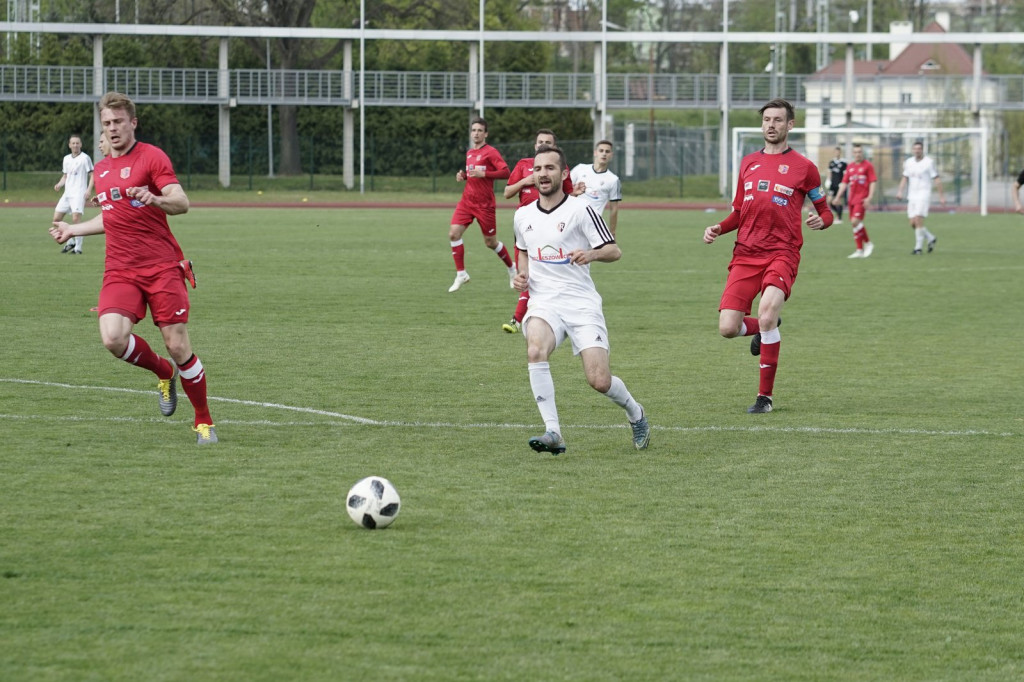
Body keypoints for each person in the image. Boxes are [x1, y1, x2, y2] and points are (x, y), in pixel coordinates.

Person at [48, 91, 217, 445]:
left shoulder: (152, 157)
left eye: (118, 122)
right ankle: (163, 372)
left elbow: (182, 202)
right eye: (106, 123)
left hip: (162, 266)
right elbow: (113, 217)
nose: (112, 129)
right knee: (112, 338)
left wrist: (156, 198)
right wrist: (73, 230)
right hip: (120, 269)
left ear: (132, 123)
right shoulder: (102, 169)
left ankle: (203, 420)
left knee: (177, 345)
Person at [511, 144, 650, 454]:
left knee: (599, 380)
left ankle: (635, 412)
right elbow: (523, 251)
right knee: (535, 350)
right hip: (544, 302)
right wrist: (521, 275)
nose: (542, 174)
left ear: (564, 173)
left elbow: (614, 250)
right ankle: (553, 432)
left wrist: (591, 254)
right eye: (538, 169)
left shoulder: (581, 210)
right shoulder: (522, 215)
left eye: (549, 168)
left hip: (580, 303)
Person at [703, 98, 833, 414]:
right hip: (746, 253)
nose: (771, 125)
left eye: (777, 120)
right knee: (728, 328)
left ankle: (765, 398)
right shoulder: (748, 163)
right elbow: (738, 213)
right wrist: (719, 228)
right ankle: (765, 328)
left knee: (767, 313)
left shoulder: (805, 167)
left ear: (790, 125)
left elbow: (826, 211)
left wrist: (822, 221)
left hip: (782, 252)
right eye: (766, 120)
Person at [500, 128, 580, 334]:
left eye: (548, 142)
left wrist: (576, 194)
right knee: (525, 273)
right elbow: (507, 193)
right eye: (540, 142)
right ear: (535, 145)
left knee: (541, 272)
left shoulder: (560, 169)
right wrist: (525, 181)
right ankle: (531, 316)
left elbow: (568, 198)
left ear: (555, 147)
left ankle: (519, 319)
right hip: (526, 229)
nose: (543, 145)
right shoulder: (523, 165)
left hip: (552, 229)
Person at [447, 117, 513, 293]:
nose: (476, 133)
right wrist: (464, 176)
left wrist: (485, 174)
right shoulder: (469, 153)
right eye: (473, 130)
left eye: (479, 131)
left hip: (485, 205)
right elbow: (473, 174)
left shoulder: (491, 152)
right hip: (467, 202)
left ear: (486, 134)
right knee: (453, 234)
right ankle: (461, 274)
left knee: (490, 243)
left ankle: (511, 268)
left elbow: (506, 172)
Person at [896, 141, 945, 255]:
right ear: (912, 150)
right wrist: (900, 191)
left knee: (918, 219)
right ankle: (930, 237)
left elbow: (937, 179)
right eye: (915, 149)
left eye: (919, 149)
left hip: (923, 194)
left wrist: (941, 196)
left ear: (922, 150)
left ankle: (918, 248)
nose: (917, 151)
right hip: (912, 195)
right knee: (913, 223)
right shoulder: (908, 162)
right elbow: (905, 177)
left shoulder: (928, 162)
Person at [832, 144, 876, 259]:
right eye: (855, 152)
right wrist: (837, 197)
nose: (857, 154)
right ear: (853, 154)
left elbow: (872, 182)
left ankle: (868, 243)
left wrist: (869, 197)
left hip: (862, 199)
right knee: (854, 224)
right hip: (852, 199)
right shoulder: (850, 167)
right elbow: (844, 183)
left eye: (859, 152)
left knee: (855, 221)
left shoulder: (868, 166)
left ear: (862, 153)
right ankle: (859, 250)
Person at [53, 134, 94, 255]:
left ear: (81, 144)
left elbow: (92, 175)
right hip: (67, 193)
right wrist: (59, 184)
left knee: (76, 219)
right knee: (56, 219)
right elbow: (65, 176)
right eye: (73, 143)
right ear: (69, 145)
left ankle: (78, 248)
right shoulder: (66, 159)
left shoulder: (85, 158)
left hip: (79, 193)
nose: (75, 145)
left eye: (77, 143)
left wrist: (88, 190)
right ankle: (70, 241)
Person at [570, 139, 622, 236]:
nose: (604, 154)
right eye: (601, 150)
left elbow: (614, 209)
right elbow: (564, 189)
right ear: (595, 153)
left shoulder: (614, 180)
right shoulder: (580, 168)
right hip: (572, 220)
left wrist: (612, 232)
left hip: (592, 225)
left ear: (611, 155)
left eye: (607, 151)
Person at [826, 146, 847, 225]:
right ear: (834, 152)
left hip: (840, 185)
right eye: (835, 152)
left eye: (838, 152)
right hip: (832, 185)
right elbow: (829, 172)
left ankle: (839, 218)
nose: (837, 153)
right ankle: (838, 214)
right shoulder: (831, 162)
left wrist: (843, 183)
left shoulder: (843, 163)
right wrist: (828, 180)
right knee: (829, 201)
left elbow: (845, 174)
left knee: (838, 201)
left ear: (840, 152)